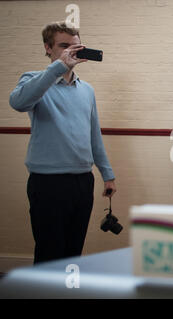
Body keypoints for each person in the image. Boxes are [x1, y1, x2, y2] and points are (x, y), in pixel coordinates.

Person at [9, 22, 117, 263]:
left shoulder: (86, 90)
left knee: (73, 250)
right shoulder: (34, 80)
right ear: (48, 48)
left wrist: (107, 175)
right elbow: (18, 103)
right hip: (48, 183)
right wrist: (57, 68)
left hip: (82, 181)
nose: (71, 51)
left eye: (75, 46)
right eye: (63, 46)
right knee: (49, 251)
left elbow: (93, 135)